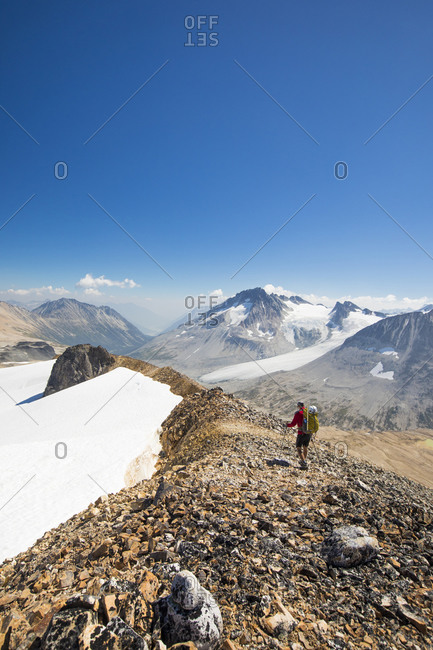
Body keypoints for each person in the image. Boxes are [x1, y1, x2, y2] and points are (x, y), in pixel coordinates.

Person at [286, 401, 311, 468]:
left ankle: (304, 463)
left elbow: (293, 424)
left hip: (301, 433)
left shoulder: (298, 413)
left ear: (299, 406)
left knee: (298, 448)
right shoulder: (308, 412)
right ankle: (304, 460)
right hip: (309, 433)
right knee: (305, 447)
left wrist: (287, 425)